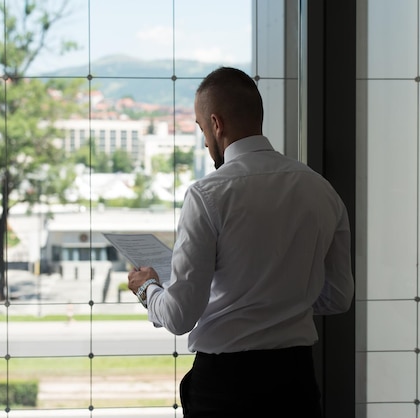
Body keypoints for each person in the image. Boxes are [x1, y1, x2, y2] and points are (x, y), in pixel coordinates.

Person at [127, 66, 354, 417]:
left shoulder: (207, 195)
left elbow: (179, 316)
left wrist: (148, 289)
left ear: (217, 124)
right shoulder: (321, 190)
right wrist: (283, 299)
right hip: (296, 383)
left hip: (225, 388)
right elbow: (338, 298)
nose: (205, 141)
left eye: (202, 129)